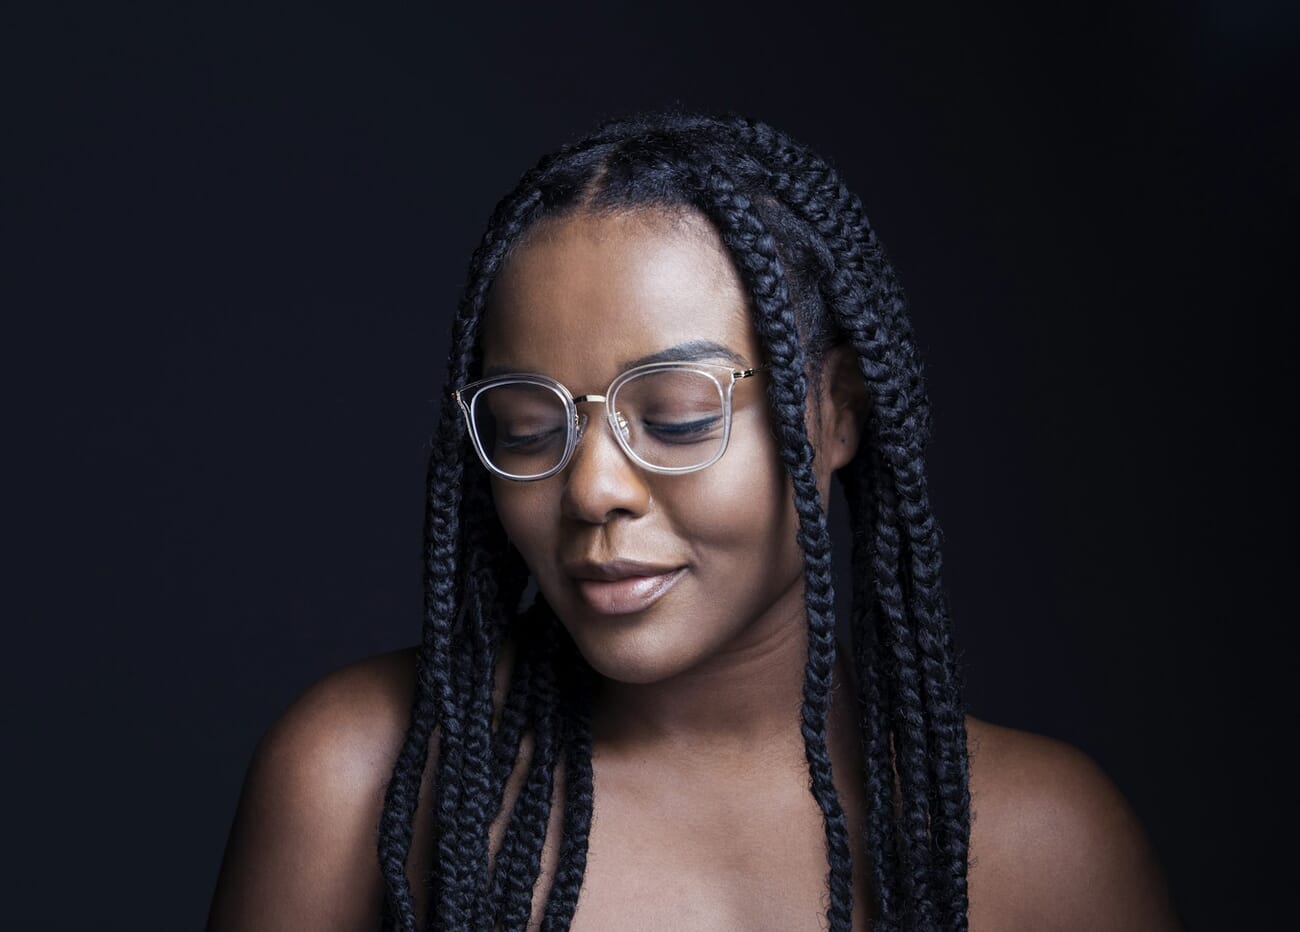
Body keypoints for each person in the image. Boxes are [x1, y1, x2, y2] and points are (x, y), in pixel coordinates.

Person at [206, 111, 1182, 931]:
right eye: (529, 426)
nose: (592, 489)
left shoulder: (1038, 842)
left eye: (672, 415)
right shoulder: (358, 774)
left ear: (835, 410)